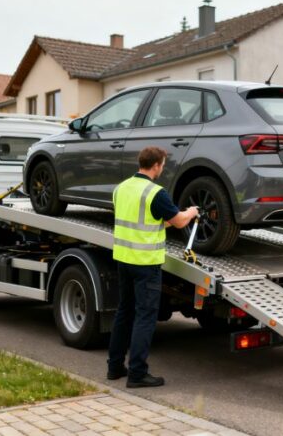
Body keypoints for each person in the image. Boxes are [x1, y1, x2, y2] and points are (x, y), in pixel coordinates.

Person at [107, 146, 198, 388]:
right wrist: (190, 212)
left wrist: (169, 219)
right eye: (163, 165)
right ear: (156, 165)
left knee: (124, 313)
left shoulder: (121, 188)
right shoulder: (156, 192)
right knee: (145, 317)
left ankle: (115, 367)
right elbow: (178, 222)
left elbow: (143, 220)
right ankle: (137, 374)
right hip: (146, 264)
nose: (162, 169)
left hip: (124, 259)